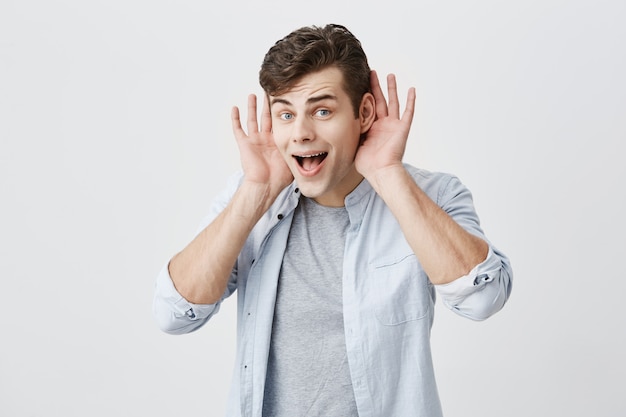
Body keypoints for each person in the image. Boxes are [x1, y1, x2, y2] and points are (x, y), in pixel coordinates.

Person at [153, 23, 513, 417]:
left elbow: (483, 299)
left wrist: (388, 174)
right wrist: (255, 192)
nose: (301, 134)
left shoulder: (434, 196)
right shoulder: (251, 200)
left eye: (322, 111)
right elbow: (173, 315)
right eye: (285, 115)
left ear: (364, 113)